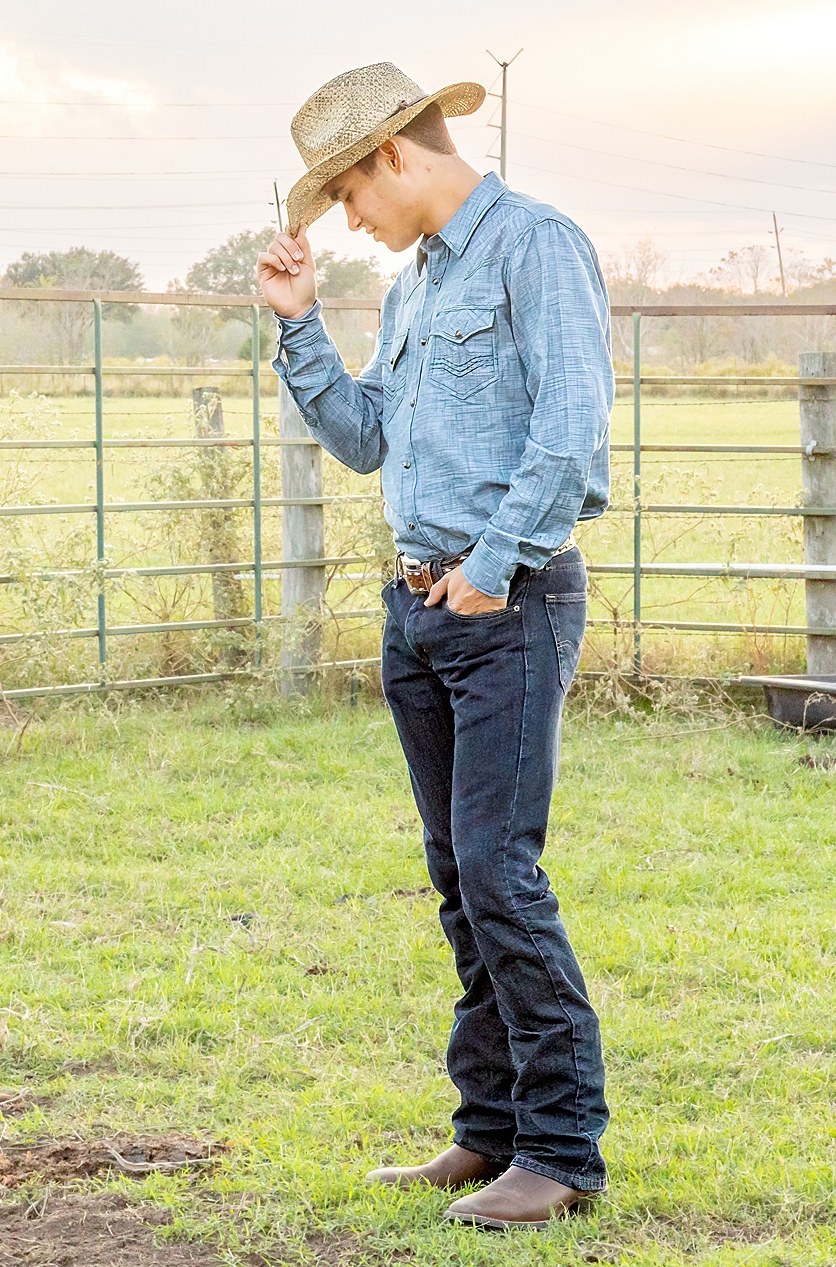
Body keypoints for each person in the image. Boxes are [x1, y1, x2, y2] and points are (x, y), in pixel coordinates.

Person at [257, 63, 613, 1230]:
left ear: (396, 157)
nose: (349, 220)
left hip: (501, 607)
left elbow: (569, 435)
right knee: (461, 880)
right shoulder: (413, 289)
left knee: (501, 874)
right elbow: (366, 440)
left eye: (348, 195)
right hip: (418, 612)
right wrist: (300, 324)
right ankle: (488, 1132)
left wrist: (490, 567)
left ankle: (559, 1151)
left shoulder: (537, 248)